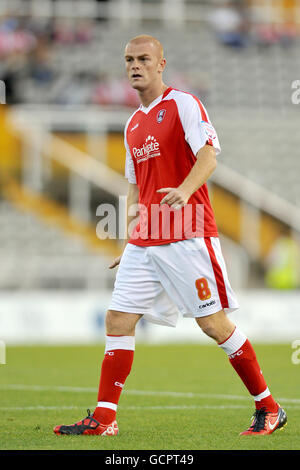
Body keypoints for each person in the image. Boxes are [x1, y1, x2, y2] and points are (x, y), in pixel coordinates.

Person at [54, 35, 287, 437]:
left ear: (162, 64)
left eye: (144, 58)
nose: (135, 65)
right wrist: (128, 239)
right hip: (146, 240)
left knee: (214, 326)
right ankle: (105, 419)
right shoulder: (132, 123)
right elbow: (134, 187)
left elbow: (209, 156)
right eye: (128, 59)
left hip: (188, 235)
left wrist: (184, 189)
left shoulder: (183, 104)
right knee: (118, 318)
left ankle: (269, 408)